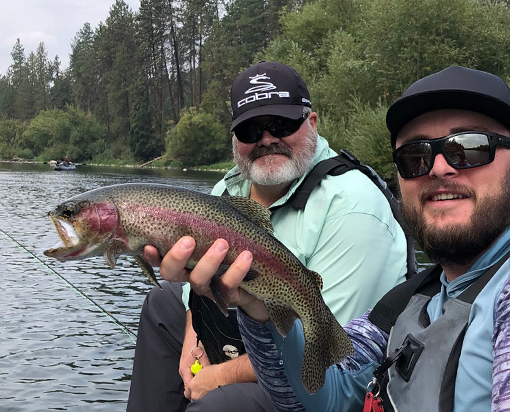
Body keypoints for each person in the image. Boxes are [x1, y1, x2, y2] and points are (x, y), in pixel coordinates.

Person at [151, 65, 510, 412]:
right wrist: (262, 309)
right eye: (415, 156)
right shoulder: (411, 302)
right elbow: (313, 399)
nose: (441, 168)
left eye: (469, 148)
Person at [127, 61, 409, 412]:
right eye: (250, 131)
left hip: (328, 373)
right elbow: (192, 289)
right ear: (235, 139)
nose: (266, 139)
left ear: (312, 122)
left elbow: (327, 351)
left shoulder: (353, 205)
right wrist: (193, 337)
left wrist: (219, 376)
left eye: (281, 124)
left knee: (220, 405)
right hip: (251, 326)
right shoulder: (229, 190)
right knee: (163, 302)